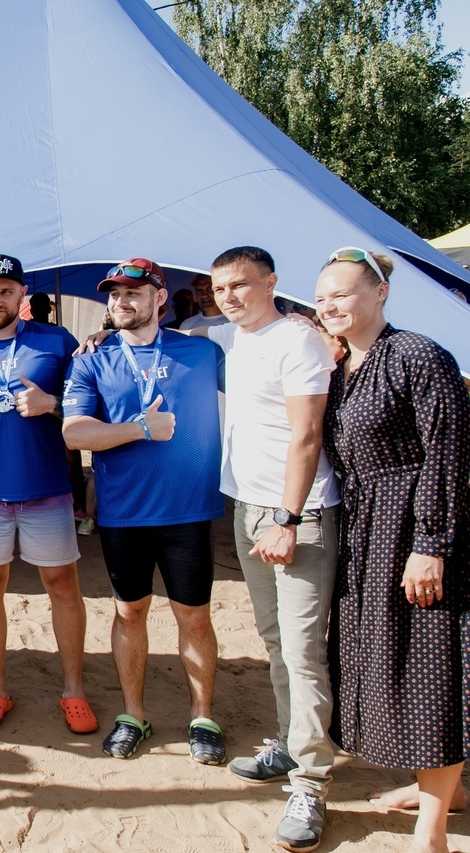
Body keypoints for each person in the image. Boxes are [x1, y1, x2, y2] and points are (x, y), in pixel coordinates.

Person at [317, 247, 468, 853]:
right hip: (366, 533)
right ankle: (445, 790)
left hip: (417, 529)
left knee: (428, 670)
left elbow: (449, 452)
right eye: (322, 297)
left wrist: (431, 543)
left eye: (343, 294)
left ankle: (431, 829)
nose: (330, 305)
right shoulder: (342, 366)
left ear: (380, 293)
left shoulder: (418, 355)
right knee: (389, 665)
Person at [62, 258, 227, 765]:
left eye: (133, 292)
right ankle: (133, 715)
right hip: (124, 512)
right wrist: (139, 429)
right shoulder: (92, 359)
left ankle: (202, 717)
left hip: (188, 510)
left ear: (160, 298)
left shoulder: (202, 351)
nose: (121, 301)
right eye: (114, 294)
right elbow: (74, 432)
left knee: (193, 617)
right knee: (129, 612)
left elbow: (262, 384)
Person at [204, 247, 340, 853]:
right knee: (276, 638)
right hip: (249, 508)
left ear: (271, 283)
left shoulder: (298, 340)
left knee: (304, 649)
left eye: (240, 284)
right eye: (220, 288)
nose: (229, 296)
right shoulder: (235, 338)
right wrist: (99, 336)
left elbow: (307, 434)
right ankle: (290, 743)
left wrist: (288, 517)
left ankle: (311, 782)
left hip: (296, 513)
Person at [0, 254, 95, 734]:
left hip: (46, 489)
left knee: (63, 586)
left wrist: (52, 403)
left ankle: (73, 691)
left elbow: (89, 401)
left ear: (22, 295)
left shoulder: (56, 341)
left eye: (6, 291)